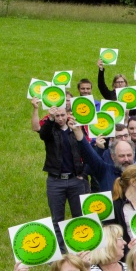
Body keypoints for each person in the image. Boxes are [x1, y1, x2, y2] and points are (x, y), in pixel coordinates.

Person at [32, 102, 86, 246]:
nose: (60, 118)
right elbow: (42, 134)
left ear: (68, 114)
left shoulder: (76, 130)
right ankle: (61, 254)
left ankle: (80, 249)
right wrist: (49, 119)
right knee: (57, 220)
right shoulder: (50, 130)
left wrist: (83, 172)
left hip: (76, 179)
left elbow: (86, 150)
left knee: (79, 218)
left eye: (63, 115)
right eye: (57, 116)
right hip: (55, 181)